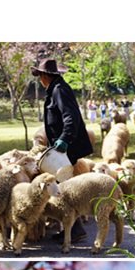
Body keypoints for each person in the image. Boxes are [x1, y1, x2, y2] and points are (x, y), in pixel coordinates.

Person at [34, 58, 93, 245]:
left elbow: (71, 117)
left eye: (40, 76)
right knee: (63, 186)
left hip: (66, 149)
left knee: (63, 187)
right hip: (60, 148)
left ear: (45, 76)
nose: (39, 80)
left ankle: (75, 230)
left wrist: (64, 139)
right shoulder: (55, 89)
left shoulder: (59, 90)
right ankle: (73, 228)